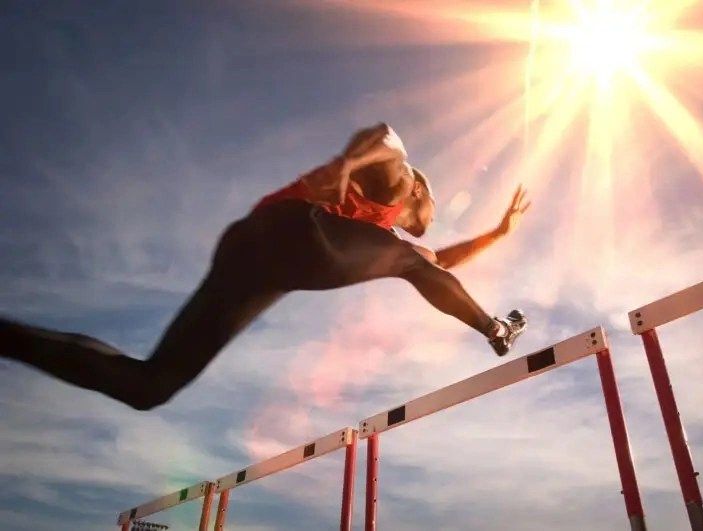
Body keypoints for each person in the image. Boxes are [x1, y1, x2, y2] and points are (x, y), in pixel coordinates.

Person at [0, 123, 530, 411]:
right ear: (420, 192)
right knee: (410, 260)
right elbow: (388, 138)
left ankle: (9, 338)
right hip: (291, 230)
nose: (430, 224)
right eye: (431, 213)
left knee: (149, 386)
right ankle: (496, 329)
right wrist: (347, 164)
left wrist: (497, 234)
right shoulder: (397, 186)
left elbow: (437, 266)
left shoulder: (383, 237)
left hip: (250, 256)